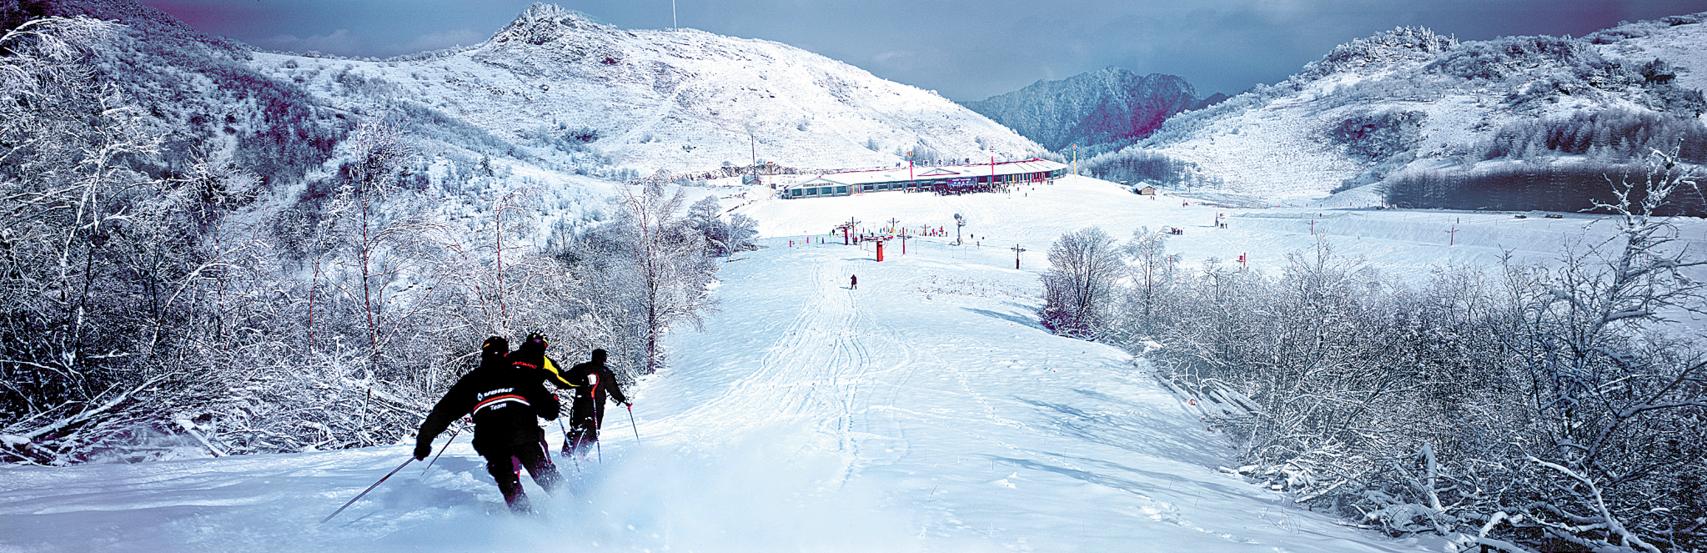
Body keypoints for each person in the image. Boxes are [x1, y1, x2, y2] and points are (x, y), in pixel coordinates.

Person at [414, 336, 563, 513]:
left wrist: (423, 442)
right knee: (543, 473)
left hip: (491, 440)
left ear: (483, 355)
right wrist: (553, 402)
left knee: (508, 482)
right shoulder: (521, 374)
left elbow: (442, 413)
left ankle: (526, 522)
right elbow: (550, 411)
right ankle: (572, 507)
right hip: (523, 432)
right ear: (507, 353)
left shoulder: (470, 381)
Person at [562, 349, 630, 457]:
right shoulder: (605, 372)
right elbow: (613, 389)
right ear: (604, 358)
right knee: (593, 432)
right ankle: (581, 454)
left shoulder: (581, 368)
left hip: (580, 404)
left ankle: (567, 454)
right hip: (596, 406)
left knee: (576, 429)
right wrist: (623, 399)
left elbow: (565, 379)